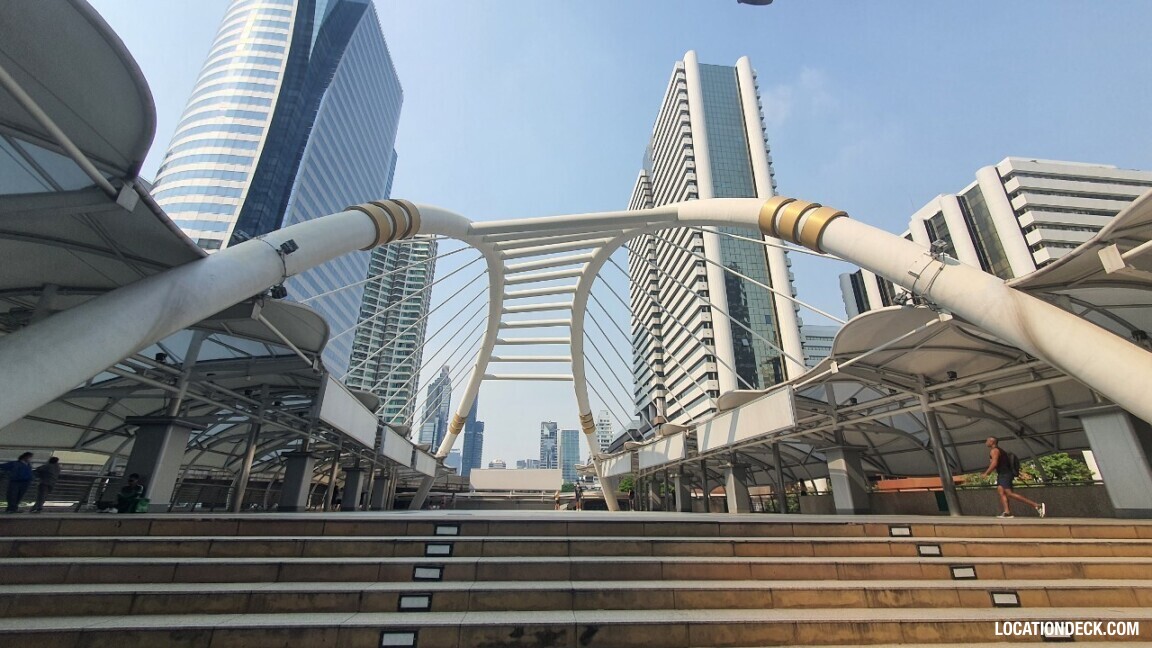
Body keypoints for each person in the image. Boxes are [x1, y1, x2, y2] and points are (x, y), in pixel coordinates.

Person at [983, 437, 1045, 519]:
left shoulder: (995, 451)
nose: (986, 442)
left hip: (1005, 474)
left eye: (987, 441)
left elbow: (994, 463)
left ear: (992, 442)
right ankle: (1007, 512)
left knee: (1009, 493)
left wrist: (986, 473)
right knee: (1001, 491)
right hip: (1002, 474)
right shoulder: (998, 450)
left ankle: (1037, 505)